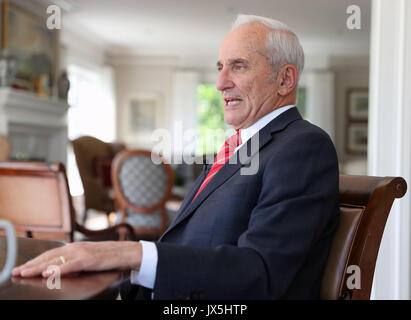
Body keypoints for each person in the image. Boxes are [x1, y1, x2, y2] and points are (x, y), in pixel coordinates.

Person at [12, 14, 339, 300]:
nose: (220, 83)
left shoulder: (303, 147)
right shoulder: (240, 145)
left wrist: (130, 253)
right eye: (220, 67)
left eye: (239, 66)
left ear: (285, 79)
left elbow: (260, 274)